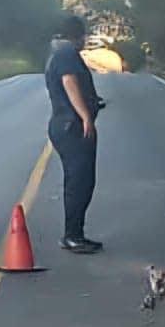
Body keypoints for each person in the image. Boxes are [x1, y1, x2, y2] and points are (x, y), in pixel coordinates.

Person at [45, 14, 103, 254]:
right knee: (79, 182)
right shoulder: (67, 54)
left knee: (80, 181)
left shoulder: (57, 54)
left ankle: (75, 233)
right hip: (72, 127)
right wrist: (85, 116)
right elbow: (69, 83)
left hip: (66, 124)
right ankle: (72, 236)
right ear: (76, 35)